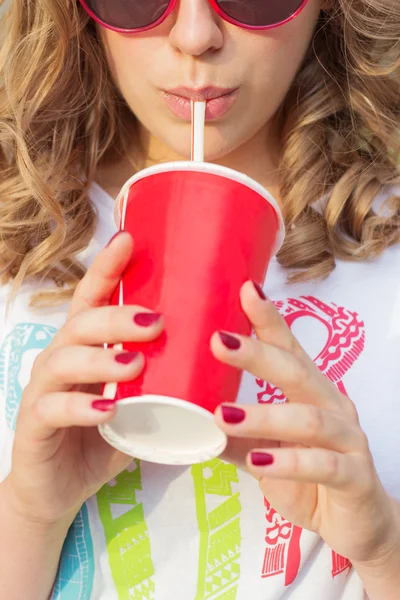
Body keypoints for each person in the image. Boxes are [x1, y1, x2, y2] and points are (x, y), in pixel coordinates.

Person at [0, 0, 399, 598]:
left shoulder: (386, 248)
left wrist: (382, 547)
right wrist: (30, 515)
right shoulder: (17, 241)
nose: (195, 35)